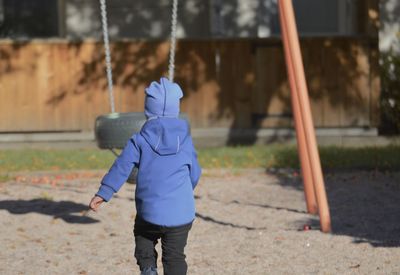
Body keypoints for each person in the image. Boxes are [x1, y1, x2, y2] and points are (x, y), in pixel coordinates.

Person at [89, 77, 202, 275]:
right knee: (175, 255)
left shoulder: (139, 140)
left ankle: (149, 269)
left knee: (143, 235)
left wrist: (103, 193)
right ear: (176, 108)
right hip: (181, 213)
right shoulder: (186, 141)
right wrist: (185, 191)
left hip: (150, 212)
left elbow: (121, 167)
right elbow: (195, 172)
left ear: (148, 108)